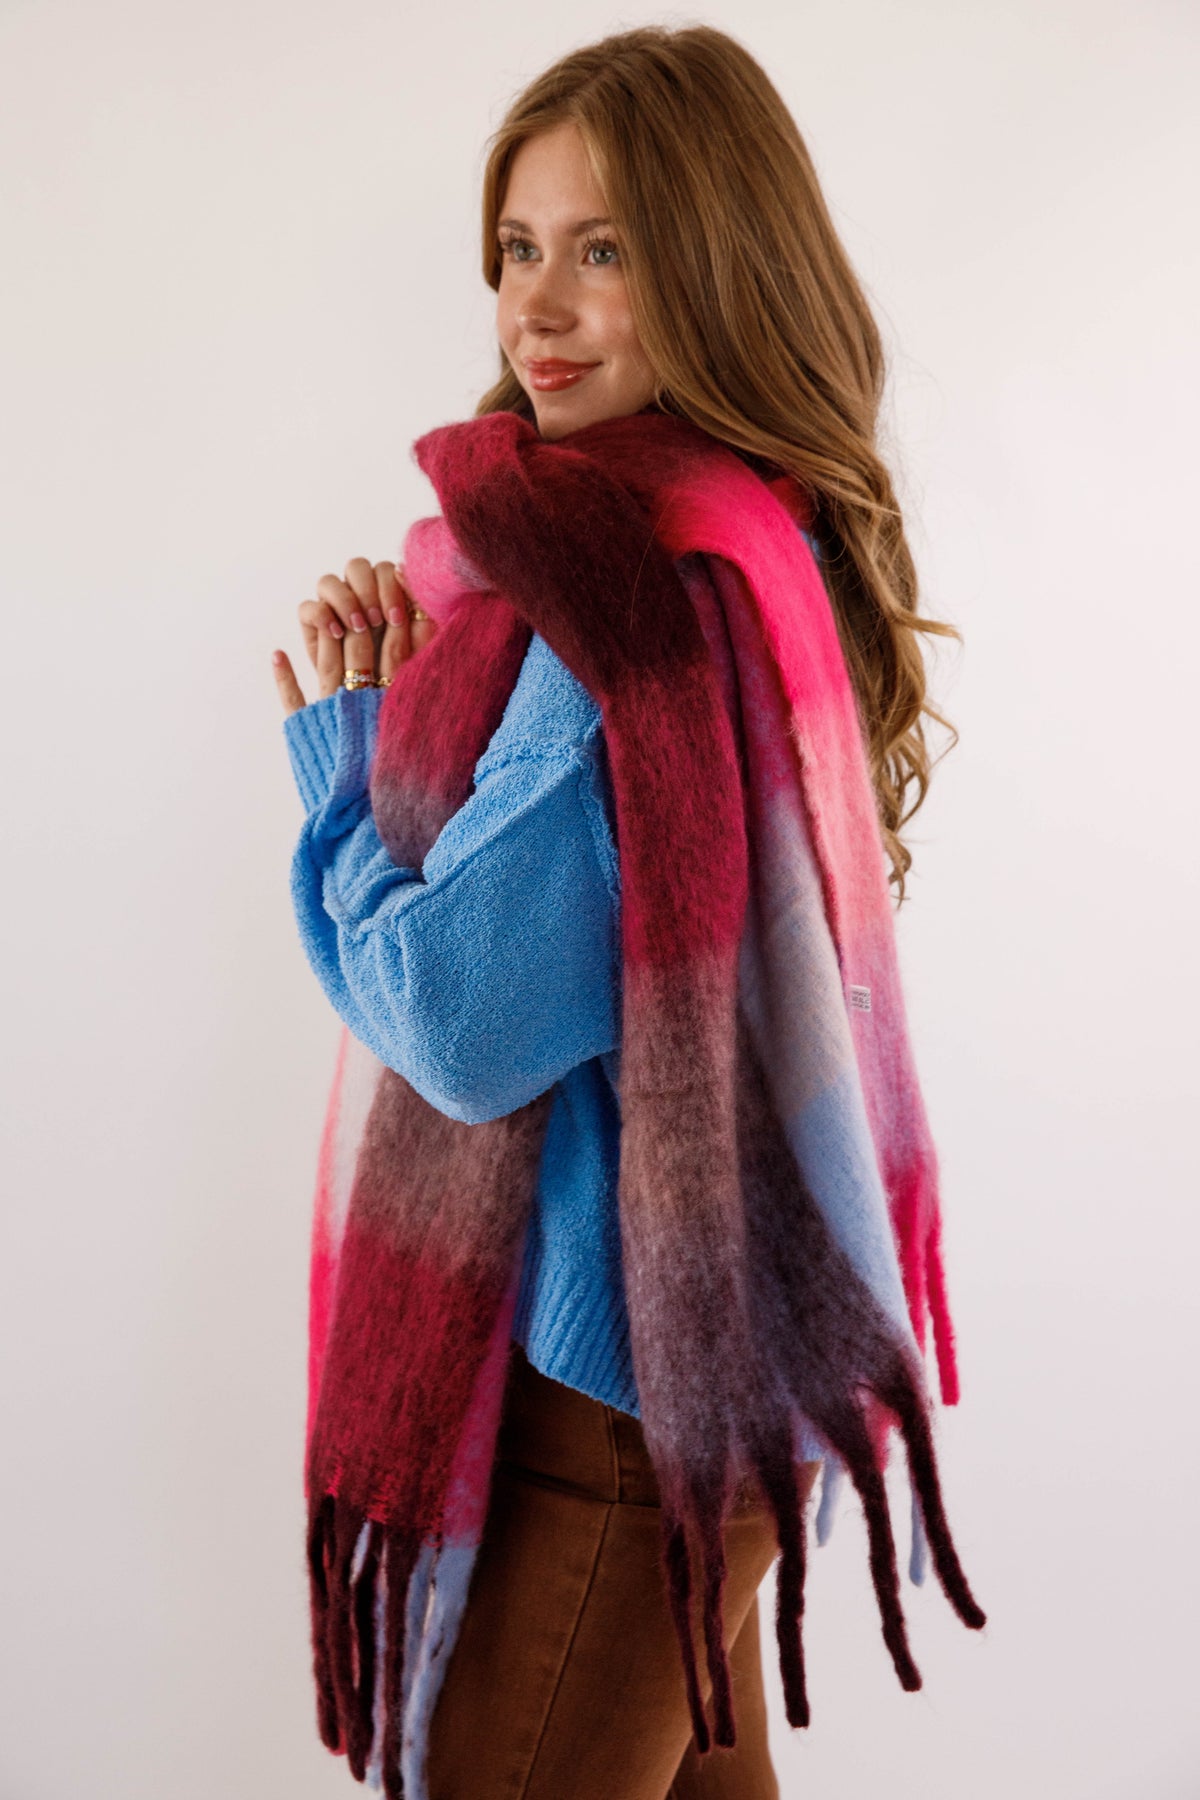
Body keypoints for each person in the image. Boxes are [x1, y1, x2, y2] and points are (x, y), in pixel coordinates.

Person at [271, 25, 977, 1800]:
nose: (540, 304)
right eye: (519, 247)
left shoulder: (632, 601)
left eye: (606, 248)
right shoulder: (744, 543)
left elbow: (463, 1019)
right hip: (723, 1357)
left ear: (718, 266)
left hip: (621, 1399)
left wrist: (348, 771)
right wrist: (443, 698)